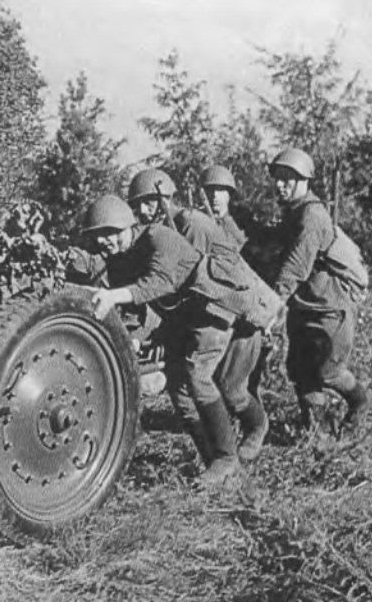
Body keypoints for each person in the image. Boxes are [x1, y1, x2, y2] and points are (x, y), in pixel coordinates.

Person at [82, 194, 278, 485]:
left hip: (212, 310)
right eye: (99, 238)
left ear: (128, 226)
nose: (105, 242)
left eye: (111, 234)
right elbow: (139, 309)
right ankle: (211, 457)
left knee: (199, 376)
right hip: (183, 319)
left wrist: (113, 295)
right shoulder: (120, 260)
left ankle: (228, 458)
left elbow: (158, 283)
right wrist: (135, 338)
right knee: (178, 386)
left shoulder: (159, 237)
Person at [127, 169, 270, 462]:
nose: (142, 211)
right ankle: (214, 458)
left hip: (238, 315)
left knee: (232, 391)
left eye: (148, 202)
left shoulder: (190, 225)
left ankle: (256, 427)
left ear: (164, 197)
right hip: (204, 316)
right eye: (137, 205)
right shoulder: (157, 234)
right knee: (180, 385)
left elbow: (200, 281)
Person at [267, 148, 372, 435]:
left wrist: (271, 306)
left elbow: (296, 266)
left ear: (304, 181)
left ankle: (361, 401)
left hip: (330, 309)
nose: (281, 184)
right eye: (278, 178)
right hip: (304, 306)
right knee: (302, 370)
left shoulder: (312, 215)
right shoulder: (292, 213)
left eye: (289, 178)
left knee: (328, 371)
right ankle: (319, 434)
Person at [199, 164, 247, 252]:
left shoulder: (235, 226)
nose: (214, 195)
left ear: (229, 195)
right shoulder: (198, 220)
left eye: (220, 189)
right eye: (210, 189)